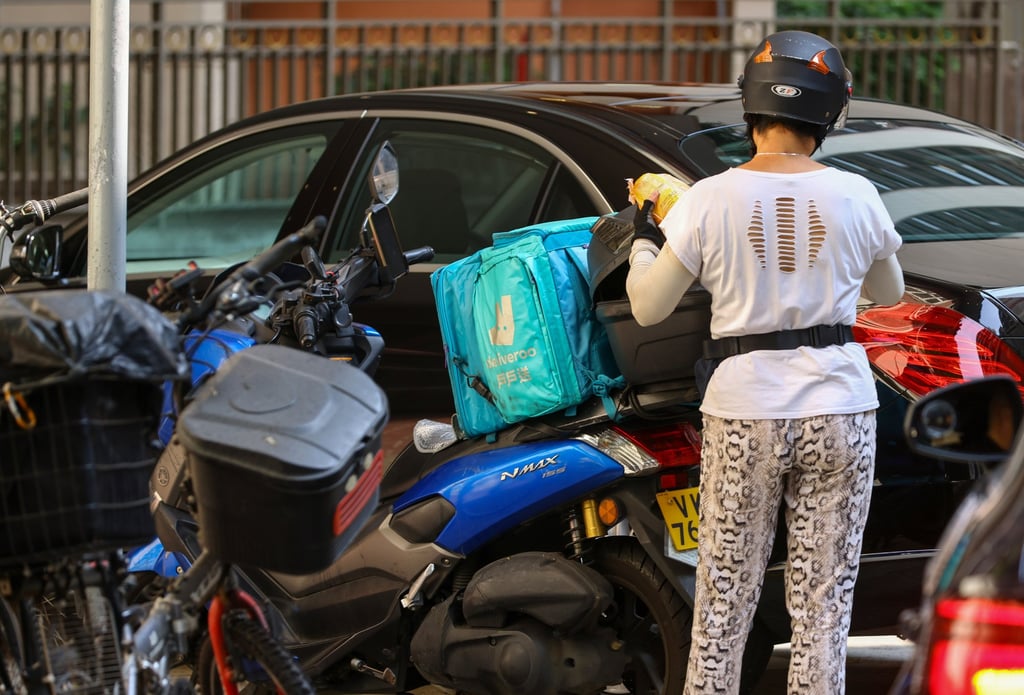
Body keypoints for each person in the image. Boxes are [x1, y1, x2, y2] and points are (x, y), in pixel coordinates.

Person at [625, 30, 906, 695]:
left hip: (744, 408)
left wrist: (643, 238)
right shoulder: (858, 195)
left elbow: (647, 306)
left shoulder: (706, 199)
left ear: (751, 108)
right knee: (822, 611)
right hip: (840, 408)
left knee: (723, 605)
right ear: (829, 114)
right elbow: (889, 292)